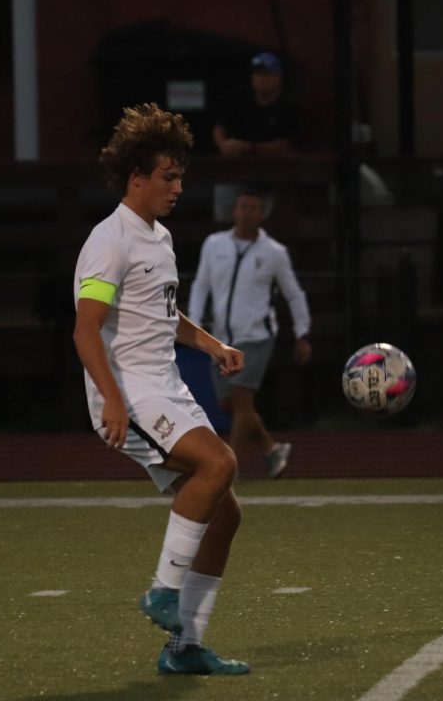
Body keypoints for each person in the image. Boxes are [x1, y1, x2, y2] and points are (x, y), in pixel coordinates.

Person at [72, 102, 251, 676]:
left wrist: (214, 346)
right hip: (130, 391)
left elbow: (164, 316)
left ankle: (184, 647)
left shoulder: (160, 238)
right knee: (218, 464)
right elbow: (85, 329)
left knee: (225, 515)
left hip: (166, 388)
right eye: (168, 178)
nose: (177, 187)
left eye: (181, 177)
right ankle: (162, 592)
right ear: (137, 178)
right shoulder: (109, 240)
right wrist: (115, 400)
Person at [188, 188, 311, 478]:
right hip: (221, 337)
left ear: (262, 214)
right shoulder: (214, 244)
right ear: (234, 210)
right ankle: (271, 448)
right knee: (227, 403)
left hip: (256, 335)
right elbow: (200, 285)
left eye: (252, 207)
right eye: (242, 206)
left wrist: (302, 332)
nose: (246, 212)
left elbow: (293, 294)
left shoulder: (274, 253)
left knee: (243, 397)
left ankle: (229, 466)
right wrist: (194, 322)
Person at [210, 50, 299, 222]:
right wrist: (223, 145)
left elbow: (287, 143)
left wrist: (249, 147)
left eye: (266, 74)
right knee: (225, 217)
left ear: (278, 77)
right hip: (235, 174)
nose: (261, 79)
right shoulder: (239, 97)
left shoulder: (288, 105)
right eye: (257, 74)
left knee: (267, 226)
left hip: (271, 180)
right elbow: (219, 128)